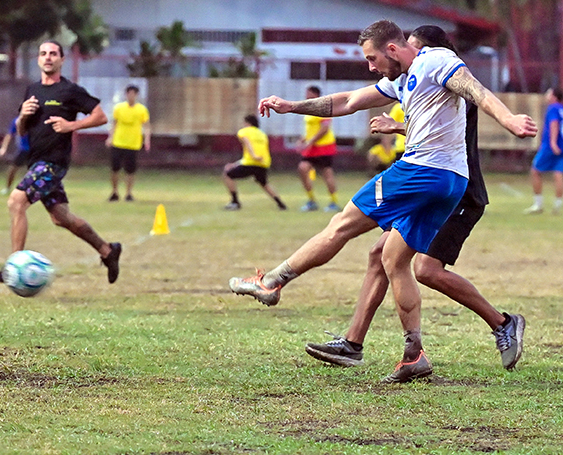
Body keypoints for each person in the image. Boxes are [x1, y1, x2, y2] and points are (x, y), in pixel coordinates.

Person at [229, 19, 536, 383]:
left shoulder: (435, 60)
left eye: (373, 59)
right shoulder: (402, 80)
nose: (371, 67)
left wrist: (510, 120)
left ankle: (273, 282)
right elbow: (348, 101)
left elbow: (477, 90)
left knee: (343, 224)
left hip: (422, 171)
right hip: (450, 182)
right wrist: (292, 106)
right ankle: (412, 354)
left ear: (393, 49)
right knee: (391, 258)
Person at [305, 25, 525, 372]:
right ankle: (353, 343)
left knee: (425, 269)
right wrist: (397, 127)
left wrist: (510, 119)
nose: (408, 53)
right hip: (430, 187)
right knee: (380, 253)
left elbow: (450, 126)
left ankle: (502, 323)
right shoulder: (420, 82)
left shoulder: (449, 81)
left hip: (457, 194)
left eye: (414, 46)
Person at [0, 41, 122, 284]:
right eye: (43, 54)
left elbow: (100, 116)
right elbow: (21, 131)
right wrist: (22, 117)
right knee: (61, 218)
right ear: (38, 60)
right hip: (36, 162)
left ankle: (13, 267)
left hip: (53, 162)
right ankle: (108, 251)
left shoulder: (70, 91)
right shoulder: (32, 90)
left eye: (53, 54)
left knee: (16, 202)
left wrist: (73, 125)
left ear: (62, 60)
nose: (48, 57)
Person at [222, 114, 287, 211]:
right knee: (264, 183)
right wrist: (236, 163)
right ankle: (280, 204)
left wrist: (254, 156)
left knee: (228, 175)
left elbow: (247, 143)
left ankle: (235, 202)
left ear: (247, 123)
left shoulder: (244, 131)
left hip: (251, 162)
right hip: (263, 163)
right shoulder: (262, 134)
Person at [298, 86, 341, 212]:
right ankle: (311, 201)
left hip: (324, 146)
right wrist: (303, 139)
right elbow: (311, 129)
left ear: (315, 94)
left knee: (326, 173)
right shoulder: (308, 109)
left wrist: (310, 141)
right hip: (311, 147)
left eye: (308, 93)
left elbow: (324, 128)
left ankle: (334, 202)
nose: (306, 95)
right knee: (302, 169)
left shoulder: (322, 107)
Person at [106, 84, 151, 202]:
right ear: (126, 95)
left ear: (136, 95)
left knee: (130, 170)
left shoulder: (142, 110)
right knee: (115, 168)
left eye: (133, 94)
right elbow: (114, 123)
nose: (131, 96)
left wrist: (147, 140)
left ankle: (129, 193)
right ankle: (114, 191)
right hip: (118, 142)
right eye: (129, 93)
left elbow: (146, 126)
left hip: (133, 144)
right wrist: (110, 137)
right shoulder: (119, 108)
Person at [524, 87, 563, 214]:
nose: (546, 95)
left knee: (535, 170)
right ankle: (558, 205)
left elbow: (554, 124)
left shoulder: (553, 108)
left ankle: (538, 204)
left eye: (549, 93)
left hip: (550, 146)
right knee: (558, 174)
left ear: (554, 96)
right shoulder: (561, 109)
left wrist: (552, 142)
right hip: (561, 145)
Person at [0, 116, 31, 195]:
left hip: (35, 149)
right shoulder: (17, 120)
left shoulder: (38, 120)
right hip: (23, 149)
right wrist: (3, 148)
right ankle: (7, 188)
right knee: (12, 169)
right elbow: (9, 135)